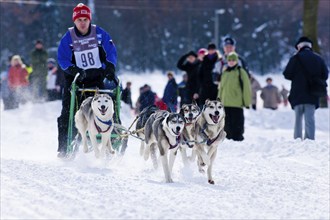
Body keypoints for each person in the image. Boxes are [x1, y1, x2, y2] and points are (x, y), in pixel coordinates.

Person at [57, 3, 117, 158]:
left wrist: (110, 67)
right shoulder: (68, 37)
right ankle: (63, 149)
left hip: (96, 78)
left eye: (85, 19)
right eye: (79, 20)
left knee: (106, 108)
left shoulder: (99, 33)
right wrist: (73, 70)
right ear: (74, 21)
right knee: (67, 113)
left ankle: (111, 141)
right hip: (75, 80)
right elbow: (62, 59)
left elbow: (111, 50)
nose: (82, 22)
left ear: (89, 20)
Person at [283, 36, 328, 140]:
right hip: (312, 93)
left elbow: (286, 74)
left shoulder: (295, 58)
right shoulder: (319, 58)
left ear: (299, 47)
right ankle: (310, 140)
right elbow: (325, 75)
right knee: (310, 119)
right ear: (310, 46)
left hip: (297, 94)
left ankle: (298, 139)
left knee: (298, 119)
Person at [218, 52, 251, 141]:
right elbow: (221, 88)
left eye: (233, 60)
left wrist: (247, 102)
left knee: (237, 123)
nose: (231, 62)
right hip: (225, 103)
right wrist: (218, 101)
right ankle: (227, 137)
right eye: (229, 60)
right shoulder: (224, 72)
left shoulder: (241, 72)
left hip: (237, 103)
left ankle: (238, 138)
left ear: (236, 61)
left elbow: (246, 88)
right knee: (226, 123)